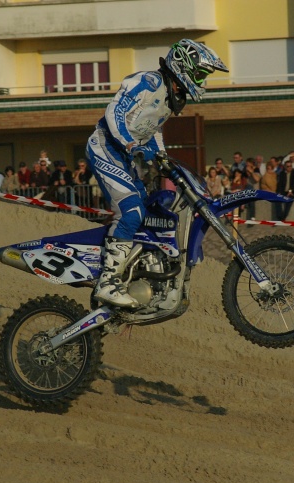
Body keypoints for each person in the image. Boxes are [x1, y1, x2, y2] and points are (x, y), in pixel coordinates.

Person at [85, 38, 227, 307]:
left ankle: (134, 274)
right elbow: (115, 113)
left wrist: (163, 158)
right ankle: (107, 282)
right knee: (132, 211)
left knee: (149, 213)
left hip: (125, 157)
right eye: (200, 73)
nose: (202, 80)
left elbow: (153, 129)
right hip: (105, 147)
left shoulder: (171, 96)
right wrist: (129, 144)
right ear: (183, 66)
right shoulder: (149, 82)